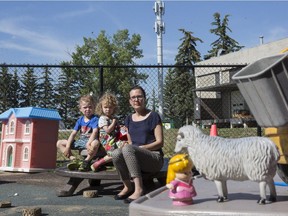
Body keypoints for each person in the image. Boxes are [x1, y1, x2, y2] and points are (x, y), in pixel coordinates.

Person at [112, 85, 164, 204]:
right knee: (115, 153)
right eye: (133, 97)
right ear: (130, 101)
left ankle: (139, 189)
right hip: (134, 157)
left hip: (153, 157)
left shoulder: (153, 116)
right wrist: (125, 144)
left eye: (139, 96)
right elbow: (128, 141)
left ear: (145, 99)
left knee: (129, 149)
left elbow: (160, 142)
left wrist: (140, 148)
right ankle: (128, 186)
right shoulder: (128, 119)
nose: (136, 99)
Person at [56, 94, 101, 171]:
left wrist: (88, 144)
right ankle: (74, 159)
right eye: (85, 107)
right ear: (80, 109)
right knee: (59, 143)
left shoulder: (95, 119)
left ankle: (86, 161)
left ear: (94, 108)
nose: (87, 109)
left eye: (90, 107)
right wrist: (67, 147)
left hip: (90, 142)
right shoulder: (80, 120)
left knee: (96, 143)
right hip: (80, 142)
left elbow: (95, 132)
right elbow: (73, 134)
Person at [90, 92, 127, 172]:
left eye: (110, 107)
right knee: (114, 154)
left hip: (115, 139)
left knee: (126, 146)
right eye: (105, 107)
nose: (108, 109)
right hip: (106, 141)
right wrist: (114, 122)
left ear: (114, 108)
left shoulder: (113, 118)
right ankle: (98, 163)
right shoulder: (103, 118)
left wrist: (121, 127)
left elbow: (116, 129)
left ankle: (121, 165)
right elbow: (108, 130)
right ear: (101, 107)